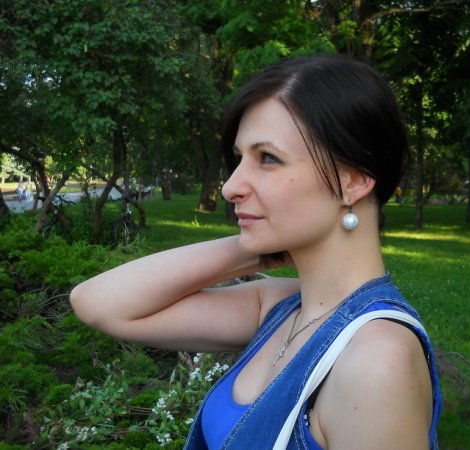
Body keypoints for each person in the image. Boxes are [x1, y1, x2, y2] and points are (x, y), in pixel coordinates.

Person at [70, 55, 442, 449]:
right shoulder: (281, 308)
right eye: (239, 158)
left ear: (351, 183)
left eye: (268, 158)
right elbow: (98, 303)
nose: (230, 187)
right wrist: (257, 250)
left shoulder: (376, 359)